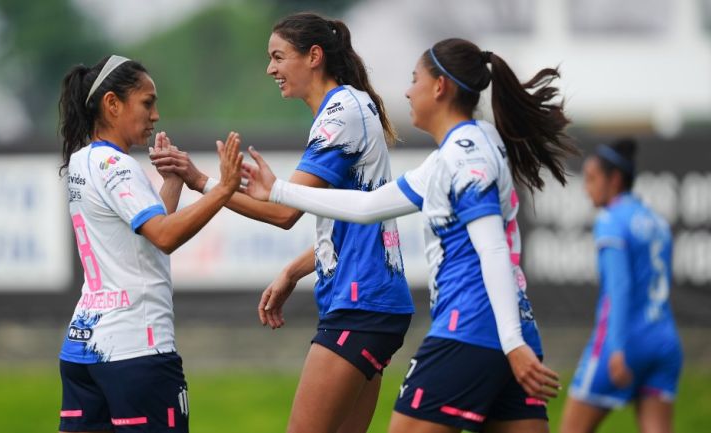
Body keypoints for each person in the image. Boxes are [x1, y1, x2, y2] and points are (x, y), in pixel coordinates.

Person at [241, 37, 580, 433]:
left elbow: (493, 251)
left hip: (471, 332)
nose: (406, 90)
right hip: (510, 334)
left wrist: (511, 343)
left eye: (414, 78)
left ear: (439, 88)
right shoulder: (462, 150)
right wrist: (279, 190)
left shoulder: (464, 155)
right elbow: (367, 207)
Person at [151, 12, 414, 433]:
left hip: (361, 304)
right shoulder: (348, 106)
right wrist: (292, 271)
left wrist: (203, 182)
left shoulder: (339, 115)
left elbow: (284, 212)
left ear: (314, 56)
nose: (270, 68)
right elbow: (350, 222)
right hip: (373, 304)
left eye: (278, 56)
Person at [57, 54, 242, 433]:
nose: (155, 114)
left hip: (83, 352)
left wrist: (171, 183)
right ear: (112, 103)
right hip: (135, 353)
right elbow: (165, 236)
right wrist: (222, 189)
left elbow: (143, 240)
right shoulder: (118, 166)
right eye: (147, 102)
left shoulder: (81, 161)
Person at [560, 138, 683, 433]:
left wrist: (616, 347)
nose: (585, 187)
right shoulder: (656, 221)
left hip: (625, 343)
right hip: (664, 342)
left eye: (591, 178)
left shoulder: (611, 220)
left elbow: (619, 287)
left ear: (614, 179)